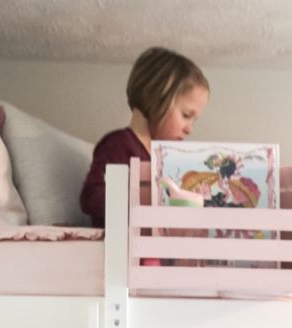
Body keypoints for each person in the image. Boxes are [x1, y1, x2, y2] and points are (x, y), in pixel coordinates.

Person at [80, 46, 210, 227]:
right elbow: (91, 197)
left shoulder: (160, 158)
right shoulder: (119, 144)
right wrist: (140, 203)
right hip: (123, 247)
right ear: (157, 100)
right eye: (186, 115)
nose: (190, 129)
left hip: (147, 246)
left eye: (194, 120)